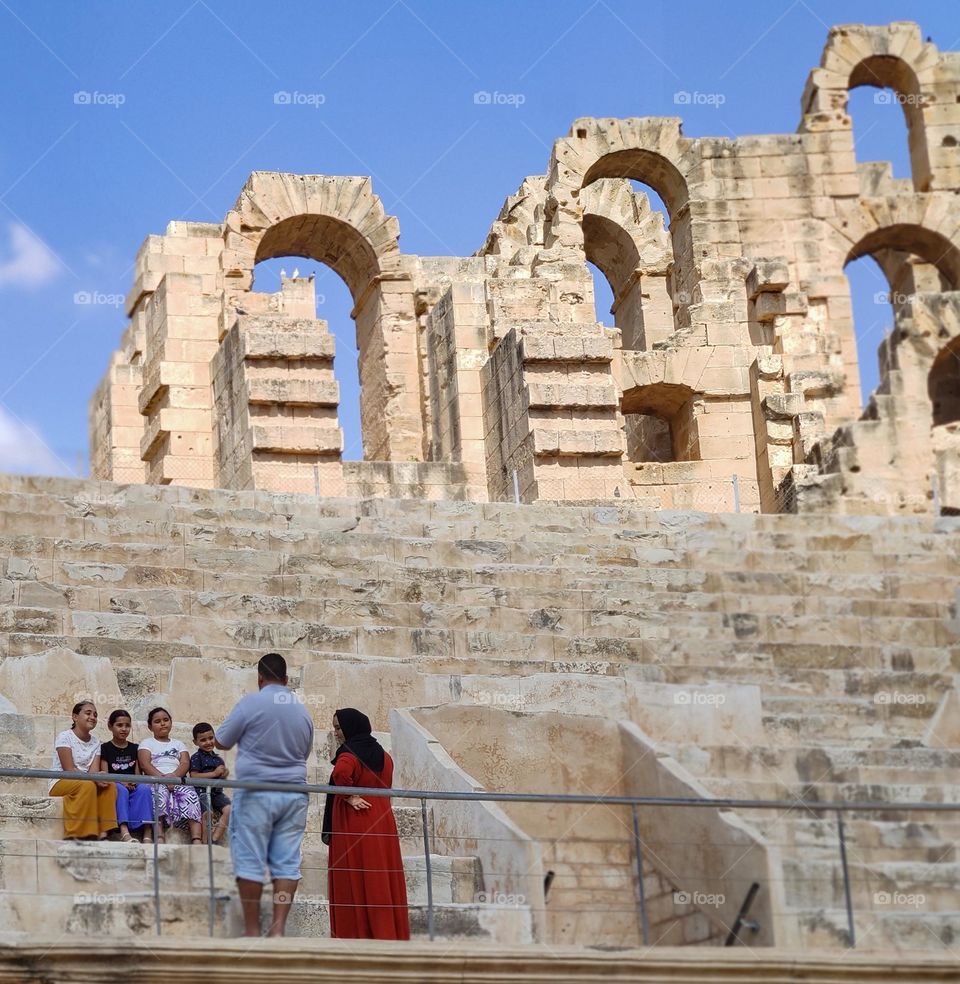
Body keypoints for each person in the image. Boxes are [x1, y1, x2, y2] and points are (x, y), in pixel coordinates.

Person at [216, 652, 314, 938]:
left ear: (259, 678)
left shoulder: (251, 703)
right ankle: (278, 929)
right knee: (286, 862)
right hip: (294, 793)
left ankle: (251, 929)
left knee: (250, 859)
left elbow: (222, 740)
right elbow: (304, 753)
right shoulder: (302, 710)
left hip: (257, 791)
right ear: (286, 679)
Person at [324, 707, 409, 940]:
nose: (336, 733)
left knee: (354, 876)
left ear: (351, 728)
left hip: (355, 820)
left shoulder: (348, 754)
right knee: (381, 876)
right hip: (382, 819)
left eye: (339, 728)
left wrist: (350, 796)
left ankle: (355, 935)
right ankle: (386, 933)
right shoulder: (384, 756)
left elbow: (341, 774)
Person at [49, 700, 117, 841]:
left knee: (110, 785)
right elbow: (69, 770)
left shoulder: (96, 742)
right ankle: (80, 833)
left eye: (95, 715)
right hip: (61, 781)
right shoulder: (65, 737)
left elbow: (93, 772)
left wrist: (100, 777)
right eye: (88, 713)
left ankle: (104, 832)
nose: (92, 717)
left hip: (85, 782)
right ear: (75, 717)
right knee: (87, 785)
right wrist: (93, 778)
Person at [137, 707, 203, 844]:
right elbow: (145, 764)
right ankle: (160, 836)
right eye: (157, 721)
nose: (162, 724)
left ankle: (197, 838)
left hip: (176, 779)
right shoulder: (147, 743)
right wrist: (163, 779)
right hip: (156, 779)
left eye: (166, 720)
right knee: (158, 795)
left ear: (171, 722)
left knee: (191, 795)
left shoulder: (178, 744)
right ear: (150, 726)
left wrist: (173, 777)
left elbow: (185, 763)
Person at [93, 709, 154, 842]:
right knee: (120, 790)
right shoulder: (105, 748)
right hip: (116, 785)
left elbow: (138, 774)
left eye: (127, 725)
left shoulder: (135, 748)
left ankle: (147, 832)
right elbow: (105, 774)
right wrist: (122, 783)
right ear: (110, 726)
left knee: (144, 789)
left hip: (132, 784)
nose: (124, 729)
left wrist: (134, 783)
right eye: (119, 725)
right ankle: (124, 830)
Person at [190, 721, 232, 844]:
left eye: (210, 738)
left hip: (217, 793)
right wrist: (214, 774)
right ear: (195, 742)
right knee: (208, 813)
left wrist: (224, 773)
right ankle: (205, 841)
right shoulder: (196, 757)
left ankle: (214, 839)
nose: (208, 742)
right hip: (202, 792)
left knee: (229, 809)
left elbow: (221, 778)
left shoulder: (218, 758)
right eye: (203, 740)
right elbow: (194, 776)